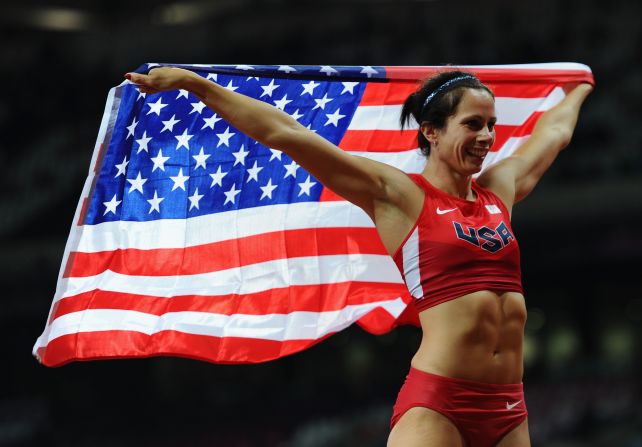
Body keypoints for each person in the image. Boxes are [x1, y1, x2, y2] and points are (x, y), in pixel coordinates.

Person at [126, 67, 592, 446]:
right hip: (440, 404)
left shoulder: (499, 191)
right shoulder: (399, 195)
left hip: (509, 405)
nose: (488, 136)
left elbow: (553, 136)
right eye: (473, 124)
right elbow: (285, 132)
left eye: (491, 124)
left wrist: (579, 87)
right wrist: (196, 84)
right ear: (430, 131)